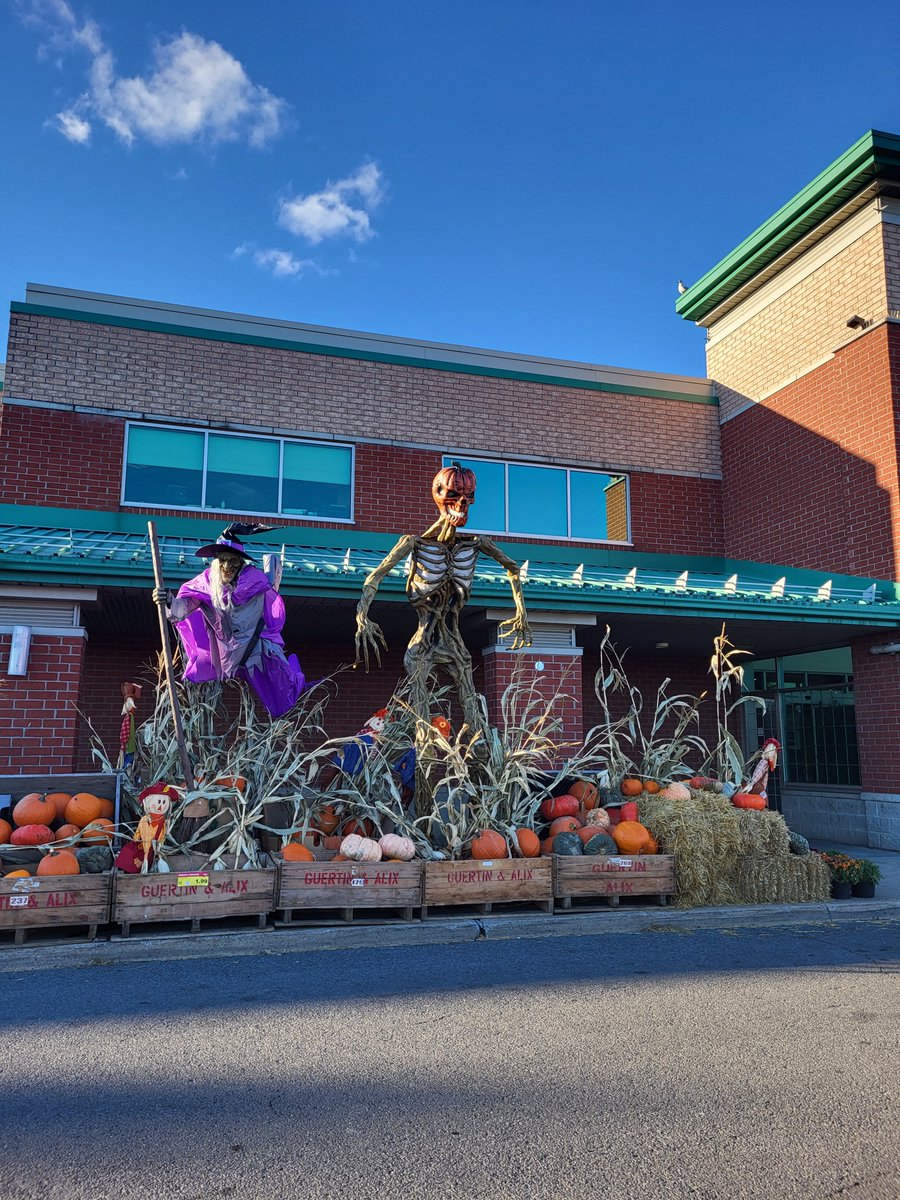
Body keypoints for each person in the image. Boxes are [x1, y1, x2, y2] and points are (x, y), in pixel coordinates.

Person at [152, 522, 305, 718]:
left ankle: (294, 684)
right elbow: (182, 608)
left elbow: (270, 599)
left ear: (241, 562)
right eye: (222, 560)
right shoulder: (205, 585)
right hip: (227, 654)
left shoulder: (256, 582)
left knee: (281, 696)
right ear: (216, 562)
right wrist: (167, 601)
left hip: (257, 650)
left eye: (233, 560)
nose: (227, 566)